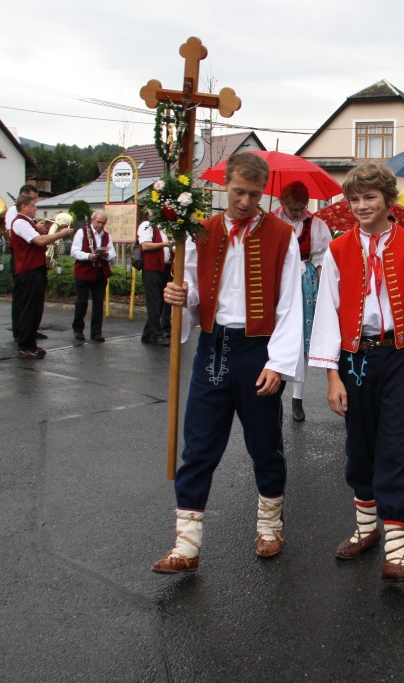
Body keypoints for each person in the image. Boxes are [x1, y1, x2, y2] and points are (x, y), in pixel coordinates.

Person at [151, 151, 303, 575]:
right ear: (226, 186)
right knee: (199, 446)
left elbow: (290, 305)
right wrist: (180, 296)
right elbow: (196, 292)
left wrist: (279, 363)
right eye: (238, 192)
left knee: (263, 445)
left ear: (263, 192)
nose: (245, 201)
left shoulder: (281, 235)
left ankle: (270, 526)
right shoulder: (201, 230)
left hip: (258, 351)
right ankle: (186, 544)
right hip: (213, 348)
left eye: (254, 194)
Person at [309, 161, 404, 582]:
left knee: (396, 448)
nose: (361, 205)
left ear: (389, 201)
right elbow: (328, 313)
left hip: (401, 355)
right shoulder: (336, 249)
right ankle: (366, 530)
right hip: (355, 358)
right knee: (360, 447)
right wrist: (332, 374)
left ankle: (397, 554)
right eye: (354, 199)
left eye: (369, 197)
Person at [272, 180, 332, 422]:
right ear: (282, 203)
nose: (298, 213)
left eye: (302, 208)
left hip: (305, 282)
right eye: (293, 208)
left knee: (302, 341)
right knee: (276, 337)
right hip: (277, 279)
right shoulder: (270, 221)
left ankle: (297, 398)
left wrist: (322, 291)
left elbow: (321, 259)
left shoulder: (315, 225)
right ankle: (274, 393)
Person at [10, 193, 72, 359]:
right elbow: (38, 241)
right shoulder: (20, 222)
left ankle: (31, 344)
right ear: (24, 207)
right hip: (28, 271)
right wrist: (61, 233)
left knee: (35, 309)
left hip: (35, 269)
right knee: (29, 309)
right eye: (33, 206)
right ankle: (25, 346)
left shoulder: (28, 222)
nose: (36, 208)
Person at [7, 184, 46, 342]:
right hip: (21, 259)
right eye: (33, 200)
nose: (35, 204)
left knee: (33, 302)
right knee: (22, 299)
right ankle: (20, 332)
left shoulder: (27, 217)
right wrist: (35, 228)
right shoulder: (13, 213)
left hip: (32, 260)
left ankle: (30, 331)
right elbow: (12, 234)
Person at [71, 211, 115, 342]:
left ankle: (96, 332)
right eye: (98, 222)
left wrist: (107, 255)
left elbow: (113, 255)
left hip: (100, 272)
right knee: (82, 302)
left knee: (98, 304)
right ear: (93, 220)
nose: (100, 225)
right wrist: (88, 256)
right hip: (84, 271)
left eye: (103, 223)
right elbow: (74, 251)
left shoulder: (107, 236)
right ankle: (78, 329)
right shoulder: (82, 232)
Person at [138, 216, 174, 346]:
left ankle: (147, 334)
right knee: (155, 303)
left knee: (162, 302)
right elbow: (145, 246)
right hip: (152, 268)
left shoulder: (166, 229)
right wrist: (164, 244)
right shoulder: (147, 225)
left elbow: (171, 248)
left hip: (166, 268)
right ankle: (156, 335)